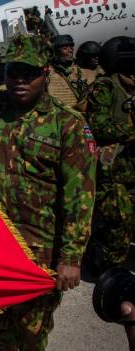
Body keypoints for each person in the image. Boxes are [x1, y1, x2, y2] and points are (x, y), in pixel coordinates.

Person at [0, 35, 96, 351]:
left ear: (46, 73)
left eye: (28, 73)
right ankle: (4, 341)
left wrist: (71, 258)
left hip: (40, 244)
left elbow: (80, 198)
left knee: (34, 324)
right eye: (12, 72)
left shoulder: (66, 125)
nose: (19, 80)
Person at [84, 36, 135, 274]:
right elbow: (98, 125)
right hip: (114, 168)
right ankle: (107, 269)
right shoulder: (105, 86)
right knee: (118, 221)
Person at [48, 35, 90, 110]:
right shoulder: (48, 71)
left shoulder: (81, 68)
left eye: (71, 48)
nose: (70, 50)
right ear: (56, 51)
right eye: (65, 48)